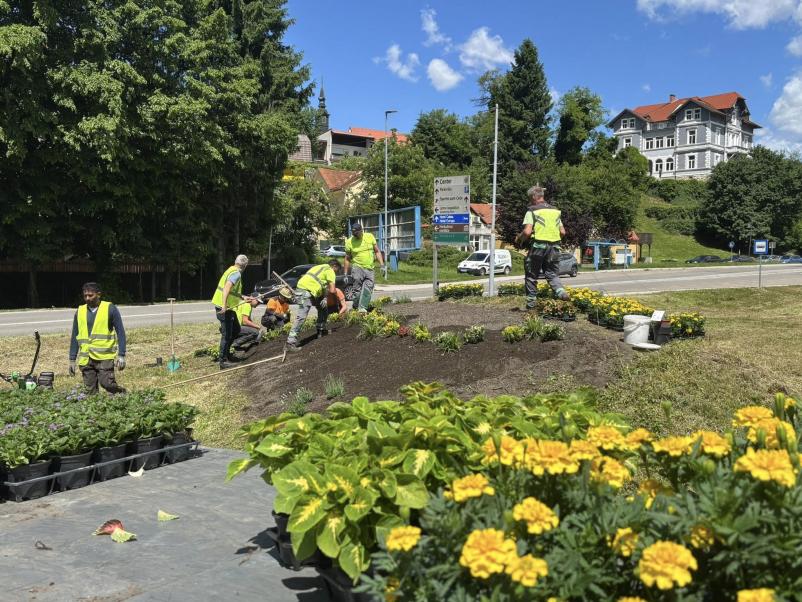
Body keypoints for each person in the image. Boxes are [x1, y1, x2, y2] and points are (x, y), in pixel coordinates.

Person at [68, 282, 127, 394]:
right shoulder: (79, 311)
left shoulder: (110, 309)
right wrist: (72, 359)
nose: (87, 298)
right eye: (85, 295)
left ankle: (121, 394)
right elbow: (75, 336)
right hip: (86, 357)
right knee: (90, 391)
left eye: (91, 295)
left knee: (107, 383)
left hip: (104, 357)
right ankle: (96, 409)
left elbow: (121, 332)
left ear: (98, 294)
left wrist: (122, 355)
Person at [518, 185, 570, 310]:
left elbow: (527, 232)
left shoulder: (532, 211)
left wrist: (519, 239)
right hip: (554, 247)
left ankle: (531, 305)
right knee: (552, 274)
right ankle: (561, 292)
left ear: (533, 197)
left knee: (531, 275)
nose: (530, 201)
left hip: (538, 246)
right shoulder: (555, 211)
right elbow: (562, 232)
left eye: (530, 198)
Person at [286, 259, 342, 349]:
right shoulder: (330, 270)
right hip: (306, 291)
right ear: (334, 266)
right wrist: (337, 301)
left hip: (306, 289)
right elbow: (332, 290)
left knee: (323, 308)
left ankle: (321, 330)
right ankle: (290, 342)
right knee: (301, 316)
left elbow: (320, 284)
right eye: (337, 271)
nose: (336, 274)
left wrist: (324, 297)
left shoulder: (319, 267)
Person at [212, 254, 251, 369]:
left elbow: (231, 291)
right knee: (227, 334)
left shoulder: (231, 269)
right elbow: (226, 288)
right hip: (224, 307)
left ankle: (227, 355)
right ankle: (223, 361)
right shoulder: (236, 273)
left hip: (227, 307)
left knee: (236, 330)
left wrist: (242, 297)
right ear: (245, 265)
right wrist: (224, 306)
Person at [344, 223, 384, 313]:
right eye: (353, 233)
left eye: (356, 233)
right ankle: (355, 306)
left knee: (368, 288)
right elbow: (347, 258)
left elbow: (377, 251)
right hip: (357, 268)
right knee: (357, 291)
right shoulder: (349, 242)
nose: (355, 235)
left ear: (361, 231)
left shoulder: (369, 237)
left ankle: (362, 309)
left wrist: (382, 265)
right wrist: (345, 274)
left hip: (370, 268)